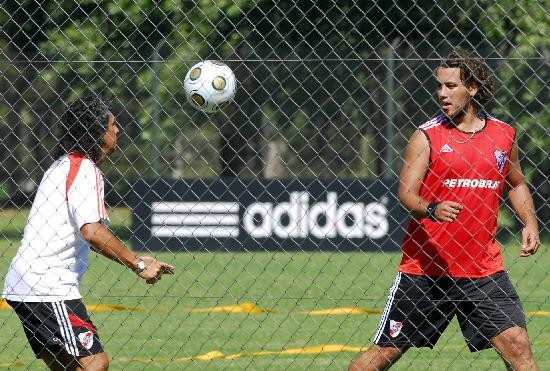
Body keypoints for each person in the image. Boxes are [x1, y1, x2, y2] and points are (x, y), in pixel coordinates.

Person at [349, 48, 540, 370]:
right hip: (426, 271)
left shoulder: (503, 135)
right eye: (439, 86)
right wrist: (431, 208)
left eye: (451, 86)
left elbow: (517, 183)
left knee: (518, 346)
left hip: (483, 270)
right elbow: (406, 194)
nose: (441, 93)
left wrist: (529, 223)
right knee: (383, 355)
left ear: (474, 88)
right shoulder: (426, 136)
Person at [2, 95, 175, 370]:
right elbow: (91, 232)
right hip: (47, 286)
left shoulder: (63, 165)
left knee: (72, 367)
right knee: (96, 363)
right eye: (112, 124)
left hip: (26, 285)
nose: (117, 130)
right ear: (97, 132)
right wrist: (138, 264)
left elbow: (95, 235)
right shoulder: (84, 169)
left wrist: (137, 258)